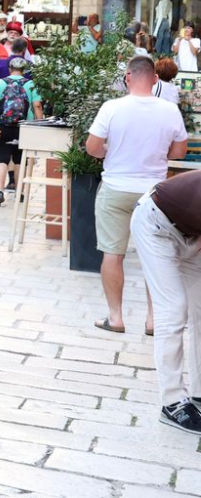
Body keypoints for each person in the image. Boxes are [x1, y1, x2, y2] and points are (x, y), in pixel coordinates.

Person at [86, 55, 188, 335]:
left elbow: (92, 147)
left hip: (116, 188)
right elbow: (179, 152)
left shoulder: (112, 107)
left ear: (128, 77)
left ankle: (116, 317)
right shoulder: (169, 110)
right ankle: (153, 320)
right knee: (155, 256)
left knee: (112, 253)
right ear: (155, 78)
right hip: (154, 193)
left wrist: (110, 152)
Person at [130, 171, 201, 434]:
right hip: (156, 224)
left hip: (193, 233)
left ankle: (199, 391)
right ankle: (173, 402)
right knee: (173, 310)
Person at [0, 57, 43, 207]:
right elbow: (37, 105)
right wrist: (40, 125)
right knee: (20, 159)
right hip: (24, 127)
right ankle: (20, 193)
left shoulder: (0, 83)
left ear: (9, 69)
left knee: (1, 158)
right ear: (24, 70)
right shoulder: (31, 84)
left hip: (2, 126)